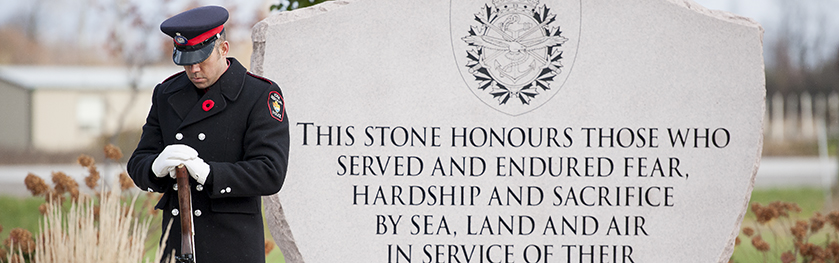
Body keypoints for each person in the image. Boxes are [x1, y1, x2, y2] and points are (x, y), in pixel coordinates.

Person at [127, 5, 289, 263]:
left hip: (232, 247)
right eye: (187, 62)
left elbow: (270, 172)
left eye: (201, 60)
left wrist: (211, 174)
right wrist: (154, 168)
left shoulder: (258, 95)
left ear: (223, 49)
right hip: (178, 244)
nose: (194, 70)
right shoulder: (167, 94)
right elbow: (138, 161)